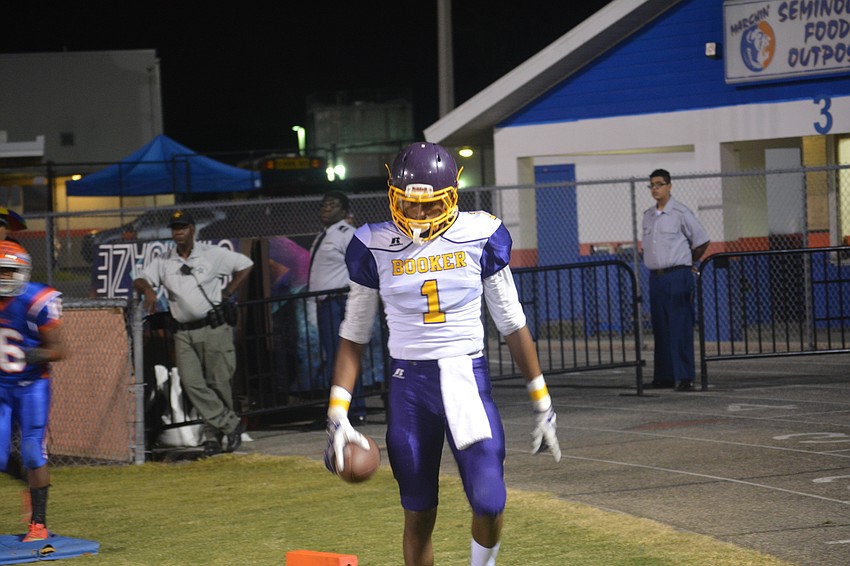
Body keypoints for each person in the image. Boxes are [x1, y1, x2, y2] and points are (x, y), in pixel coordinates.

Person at [323, 142, 562, 566]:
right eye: (410, 205)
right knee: (418, 512)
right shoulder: (372, 243)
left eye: (431, 205)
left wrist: (542, 402)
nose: (419, 215)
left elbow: (512, 323)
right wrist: (338, 412)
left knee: (490, 501)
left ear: (451, 196)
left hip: (465, 379)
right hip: (408, 389)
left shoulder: (480, 234)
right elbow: (354, 335)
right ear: (393, 196)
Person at [133, 210, 253, 455]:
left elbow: (245, 265)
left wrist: (228, 291)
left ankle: (213, 437)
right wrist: (149, 291)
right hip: (183, 333)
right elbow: (139, 277)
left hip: (213, 329)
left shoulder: (211, 254)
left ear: (193, 230)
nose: (178, 232)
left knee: (218, 383)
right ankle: (232, 425)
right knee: (192, 383)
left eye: (183, 227)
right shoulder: (165, 261)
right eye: (175, 228)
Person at [0, 241, 66, 542]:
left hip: (31, 386)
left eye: (9, 271)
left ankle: (38, 524)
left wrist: (29, 355)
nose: (3, 276)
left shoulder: (35, 300)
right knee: (0, 457)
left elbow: (58, 350)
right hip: (1, 387)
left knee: (31, 450)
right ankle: (31, 485)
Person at [641, 169, 710, 391]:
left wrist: (690, 262)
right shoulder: (648, 215)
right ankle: (664, 376)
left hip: (677, 276)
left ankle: (684, 376)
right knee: (660, 328)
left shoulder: (681, 213)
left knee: (680, 326)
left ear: (669, 186)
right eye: (652, 185)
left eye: (659, 184)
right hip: (657, 278)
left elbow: (701, 240)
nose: (655, 189)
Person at [307, 191, 367, 422]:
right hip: (325, 304)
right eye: (323, 204)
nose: (325, 208)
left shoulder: (346, 234)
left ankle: (355, 409)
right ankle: (341, 408)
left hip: (338, 303)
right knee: (333, 357)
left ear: (344, 211)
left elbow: (359, 266)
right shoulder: (324, 235)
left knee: (343, 356)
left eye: (331, 205)